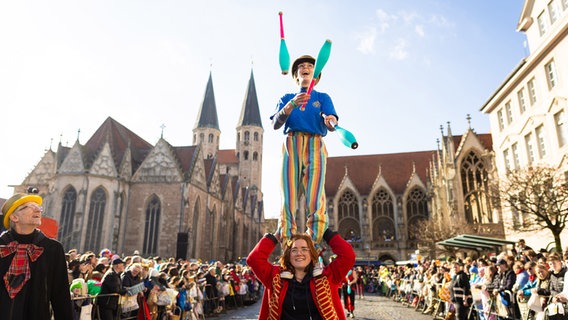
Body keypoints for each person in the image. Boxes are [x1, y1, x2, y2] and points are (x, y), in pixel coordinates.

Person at [270, 54, 339, 246]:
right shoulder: (287, 98)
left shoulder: (322, 98)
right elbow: (276, 123)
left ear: (315, 76)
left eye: (309, 65)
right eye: (301, 66)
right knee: (288, 195)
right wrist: (291, 106)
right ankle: (287, 243)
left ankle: (312, 243)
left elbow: (331, 122)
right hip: (292, 143)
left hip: (315, 144)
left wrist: (331, 122)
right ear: (296, 75)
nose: (305, 67)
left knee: (316, 195)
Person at [247, 228, 355, 320]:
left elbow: (348, 255)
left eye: (304, 249)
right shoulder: (275, 276)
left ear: (312, 254)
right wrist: (275, 236)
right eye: (294, 250)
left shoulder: (328, 275)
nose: (299, 253)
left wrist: (324, 231)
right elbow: (254, 259)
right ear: (289, 255)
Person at [0, 192, 74, 319]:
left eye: (37, 206)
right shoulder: (2, 246)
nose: (37, 209)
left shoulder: (52, 249)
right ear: (14, 217)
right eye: (27, 207)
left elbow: (61, 296)